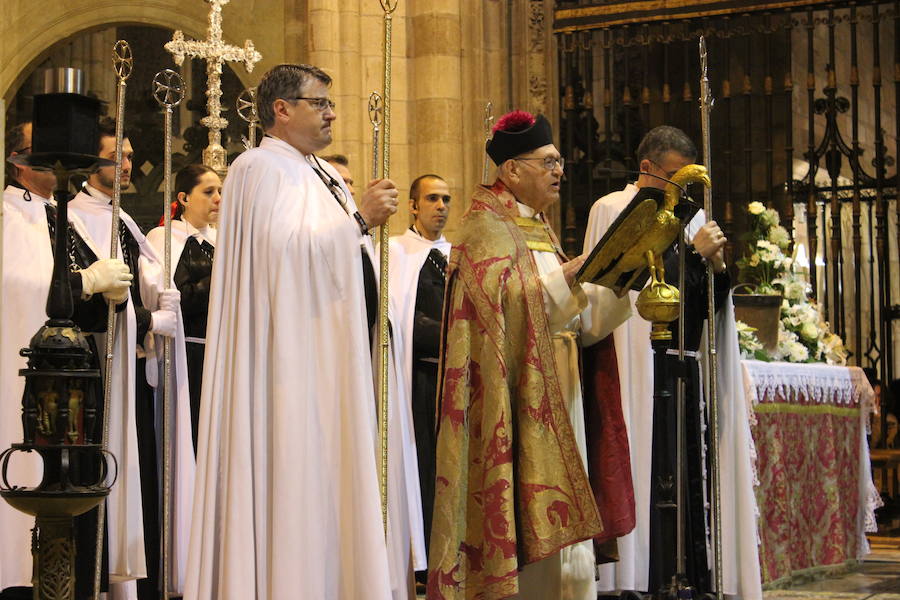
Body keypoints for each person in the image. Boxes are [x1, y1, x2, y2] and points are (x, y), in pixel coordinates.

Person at [185, 63, 424, 600]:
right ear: (282, 109)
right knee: (293, 477)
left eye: (331, 103)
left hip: (330, 355)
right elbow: (280, 259)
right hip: (284, 363)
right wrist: (359, 220)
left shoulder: (319, 173)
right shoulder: (258, 168)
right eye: (320, 103)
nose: (331, 113)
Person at [426, 110, 631, 600]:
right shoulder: (485, 229)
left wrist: (617, 279)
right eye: (548, 162)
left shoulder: (537, 226)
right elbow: (504, 314)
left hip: (562, 384)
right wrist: (570, 276)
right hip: (515, 397)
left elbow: (572, 318)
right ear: (512, 170)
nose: (559, 171)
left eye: (559, 161)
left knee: (568, 543)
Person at [583, 125, 761, 598]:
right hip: (640, 362)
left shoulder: (691, 215)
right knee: (649, 465)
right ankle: (643, 574)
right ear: (647, 168)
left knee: (688, 474)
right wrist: (694, 254)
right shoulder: (614, 209)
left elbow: (706, 301)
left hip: (685, 363)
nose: (683, 188)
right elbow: (633, 289)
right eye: (675, 176)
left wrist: (716, 267)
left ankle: (692, 571)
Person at [1, 121, 132, 600]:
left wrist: (110, 296)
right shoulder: (9, 216)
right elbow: (21, 287)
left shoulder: (60, 217)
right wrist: (86, 282)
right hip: (33, 376)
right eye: (45, 151)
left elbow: (81, 298)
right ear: (18, 160)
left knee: (75, 482)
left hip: (75, 378)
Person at [69, 118, 195, 599]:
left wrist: (163, 299)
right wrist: (148, 320)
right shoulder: (73, 219)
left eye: (127, 155)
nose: (126, 164)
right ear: (90, 163)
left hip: (132, 368)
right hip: (99, 368)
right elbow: (96, 303)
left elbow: (147, 280)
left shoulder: (123, 219)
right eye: (115, 157)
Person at [387, 173, 451, 583]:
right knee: (423, 466)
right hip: (417, 379)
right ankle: (422, 557)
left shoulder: (456, 254)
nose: (441, 206)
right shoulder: (396, 252)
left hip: (453, 380)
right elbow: (399, 315)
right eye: (432, 198)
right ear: (413, 205)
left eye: (446, 199)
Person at [147, 164, 221, 454]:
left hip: (222, 352)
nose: (218, 198)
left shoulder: (220, 241)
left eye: (220, 191)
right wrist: (222, 275)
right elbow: (178, 299)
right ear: (184, 197)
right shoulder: (165, 239)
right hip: (188, 354)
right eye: (208, 191)